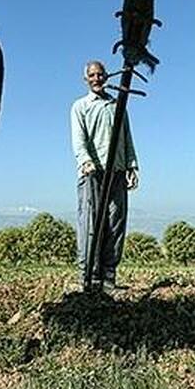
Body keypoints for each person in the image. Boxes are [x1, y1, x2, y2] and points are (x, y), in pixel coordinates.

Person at [70, 59, 139, 293]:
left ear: (107, 76)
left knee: (115, 222)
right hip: (92, 173)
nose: (97, 78)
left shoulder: (117, 106)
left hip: (117, 172)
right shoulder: (80, 106)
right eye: (92, 75)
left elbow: (127, 137)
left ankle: (109, 277)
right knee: (90, 224)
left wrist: (132, 165)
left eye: (100, 74)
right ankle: (88, 277)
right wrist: (85, 161)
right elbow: (78, 141)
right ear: (86, 79)